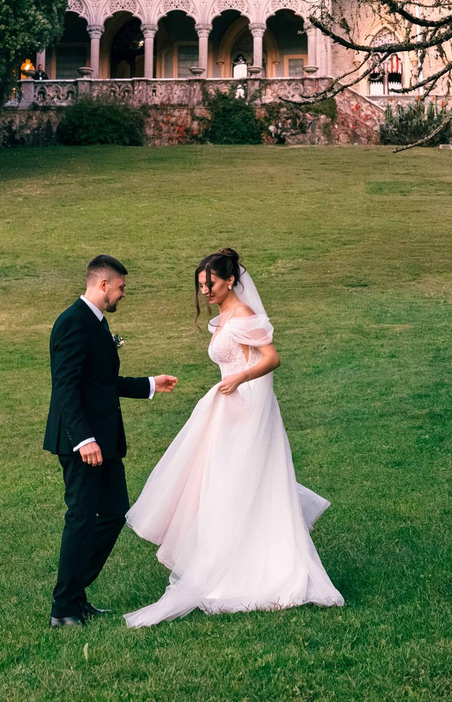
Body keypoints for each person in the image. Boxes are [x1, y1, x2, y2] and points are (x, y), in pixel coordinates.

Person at [121, 247, 344, 626]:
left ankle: (257, 572)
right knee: (219, 486)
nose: (205, 291)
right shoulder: (222, 317)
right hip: (227, 407)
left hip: (246, 407)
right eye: (201, 285)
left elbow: (270, 358)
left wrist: (240, 377)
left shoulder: (243, 317)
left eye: (210, 284)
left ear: (230, 281)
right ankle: (226, 565)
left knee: (241, 483)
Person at [44, 255, 177, 627]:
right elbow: (66, 386)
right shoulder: (72, 322)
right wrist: (83, 438)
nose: (123, 295)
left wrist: (150, 384)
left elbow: (101, 384)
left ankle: (73, 592)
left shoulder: (96, 323)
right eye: (121, 287)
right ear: (103, 285)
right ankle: (64, 607)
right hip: (83, 442)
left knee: (116, 511)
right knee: (82, 519)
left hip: (104, 442)